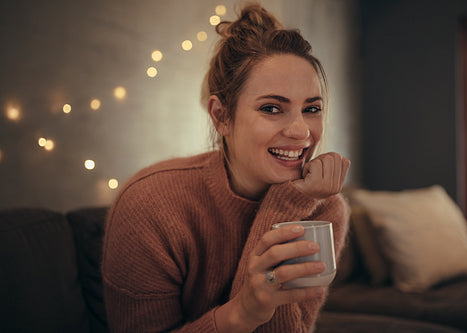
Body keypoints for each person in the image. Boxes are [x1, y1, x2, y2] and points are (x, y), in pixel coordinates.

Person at [102, 3, 351, 332]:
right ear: (221, 116)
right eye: (272, 108)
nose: (302, 132)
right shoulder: (150, 205)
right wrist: (244, 312)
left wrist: (289, 202)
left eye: (312, 108)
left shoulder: (324, 207)